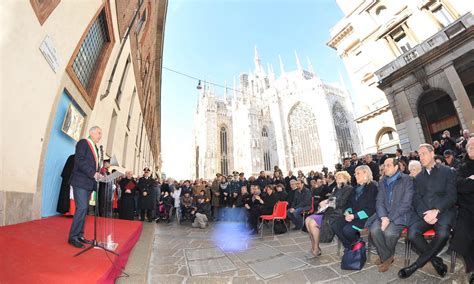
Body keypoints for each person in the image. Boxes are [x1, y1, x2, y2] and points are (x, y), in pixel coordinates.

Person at [398, 144, 457, 279]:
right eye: (419, 155)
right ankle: (437, 262)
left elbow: (452, 196)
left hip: (444, 212)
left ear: (432, 154)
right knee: (412, 234)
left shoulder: (448, 171)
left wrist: (436, 210)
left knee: (442, 234)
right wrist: (425, 213)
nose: (421, 157)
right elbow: (416, 199)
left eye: (424, 153)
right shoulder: (418, 177)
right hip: (424, 214)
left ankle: (415, 266)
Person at [370, 158, 414, 272]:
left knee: (389, 233)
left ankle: (384, 257)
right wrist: (384, 217)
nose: (385, 168)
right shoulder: (382, 181)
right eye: (384, 165)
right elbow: (379, 201)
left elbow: (406, 203)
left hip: (400, 215)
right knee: (374, 230)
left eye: (388, 165)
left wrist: (389, 219)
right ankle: (387, 257)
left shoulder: (407, 179)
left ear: (396, 167)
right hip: (383, 215)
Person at [68, 126, 103, 248]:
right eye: (99, 133)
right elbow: (80, 161)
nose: (100, 135)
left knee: (84, 209)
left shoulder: (96, 148)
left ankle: (80, 235)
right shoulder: (84, 143)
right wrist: (93, 173)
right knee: (82, 208)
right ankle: (73, 237)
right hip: (80, 181)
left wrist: (99, 174)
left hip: (89, 183)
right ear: (92, 132)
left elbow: (94, 166)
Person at [304, 171, 353, 258]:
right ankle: (315, 247)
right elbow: (331, 198)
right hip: (329, 211)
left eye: (340, 178)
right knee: (307, 220)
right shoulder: (337, 188)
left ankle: (315, 250)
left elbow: (341, 202)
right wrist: (327, 201)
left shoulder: (349, 188)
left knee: (312, 223)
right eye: (337, 178)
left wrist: (327, 202)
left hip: (338, 213)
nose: (338, 180)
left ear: (346, 179)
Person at [331, 165, 378, 249]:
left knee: (347, 230)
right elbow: (349, 204)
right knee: (335, 225)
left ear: (365, 174)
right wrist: (348, 212)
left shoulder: (373, 186)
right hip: (352, 216)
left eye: (358, 173)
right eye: (355, 173)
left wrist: (354, 216)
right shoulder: (355, 188)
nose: (355, 175)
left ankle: (356, 246)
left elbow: (371, 209)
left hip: (365, 218)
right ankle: (351, 247)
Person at [450, 138, 474, 284]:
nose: (471, 147)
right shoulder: (461, 166)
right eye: (469, 145)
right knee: (463, 235)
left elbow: (465, 185)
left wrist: (469, 181)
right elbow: (458, 186)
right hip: (467, 208)